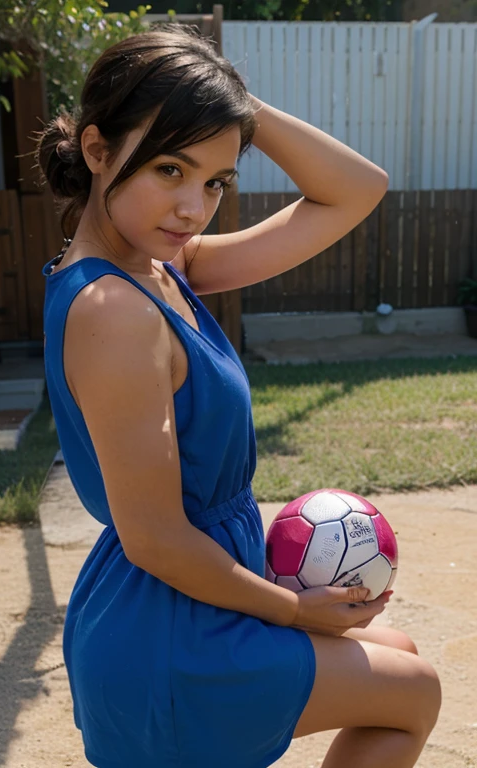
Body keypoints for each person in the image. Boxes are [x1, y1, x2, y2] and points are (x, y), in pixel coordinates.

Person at [36, 24, 441, 768]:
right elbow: (154, 538)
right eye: (169, 168)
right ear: (98, 151)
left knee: (404, 658)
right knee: (412, 691)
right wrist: (294, 609)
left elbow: (357, 189)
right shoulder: (115, 309)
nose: (194, 206)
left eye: (216, 181)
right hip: (170, 627)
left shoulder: (161, 267)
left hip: (194, 599)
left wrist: (226, 99)